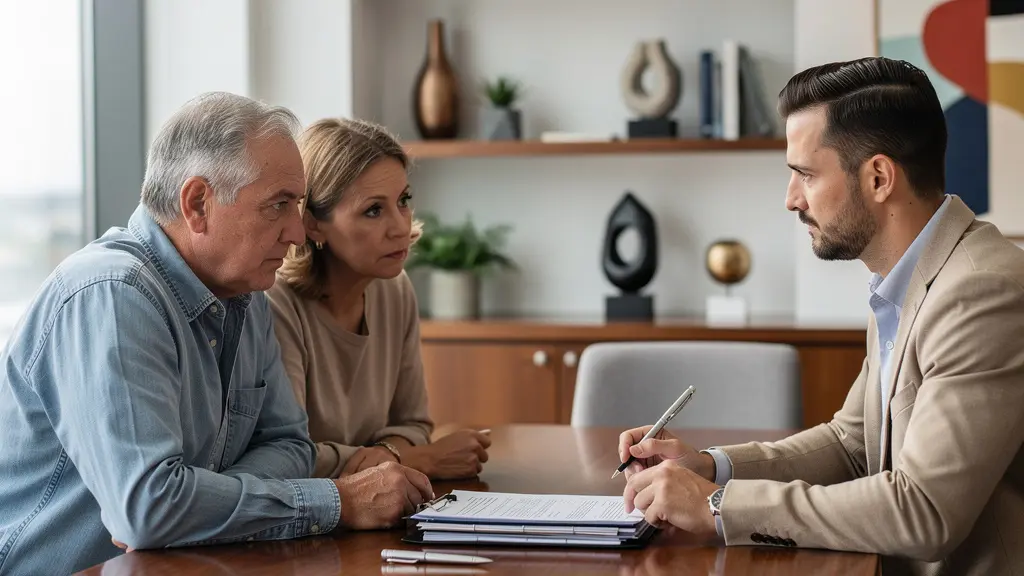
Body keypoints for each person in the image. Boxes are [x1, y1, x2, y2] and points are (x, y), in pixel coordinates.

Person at [617, 57, 1024, 575]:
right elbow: (851, 445)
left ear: (878, 177)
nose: (790, 200)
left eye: (805, 175)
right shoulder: (908, 277)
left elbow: (924, 512)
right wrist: (710, 467)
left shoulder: (979, 293)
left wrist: (716, 506)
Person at [0, 93, 433, 575]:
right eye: (279, 206)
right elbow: (150, 511)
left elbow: (291, 445)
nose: (296, 232)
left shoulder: (246, 297)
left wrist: (197, 496)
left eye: (299, 205)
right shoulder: (111, 295)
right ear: (198, 204)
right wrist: (336, 501)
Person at [267, 117, 490, 481]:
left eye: (403, 200)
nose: (401, 226)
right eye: (373, 210)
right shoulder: (276, 303)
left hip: (378, 509)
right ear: (312, 224)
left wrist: (386, 456)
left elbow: (414, 424)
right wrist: (417, 462)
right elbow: (291, 458)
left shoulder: (395, 289)